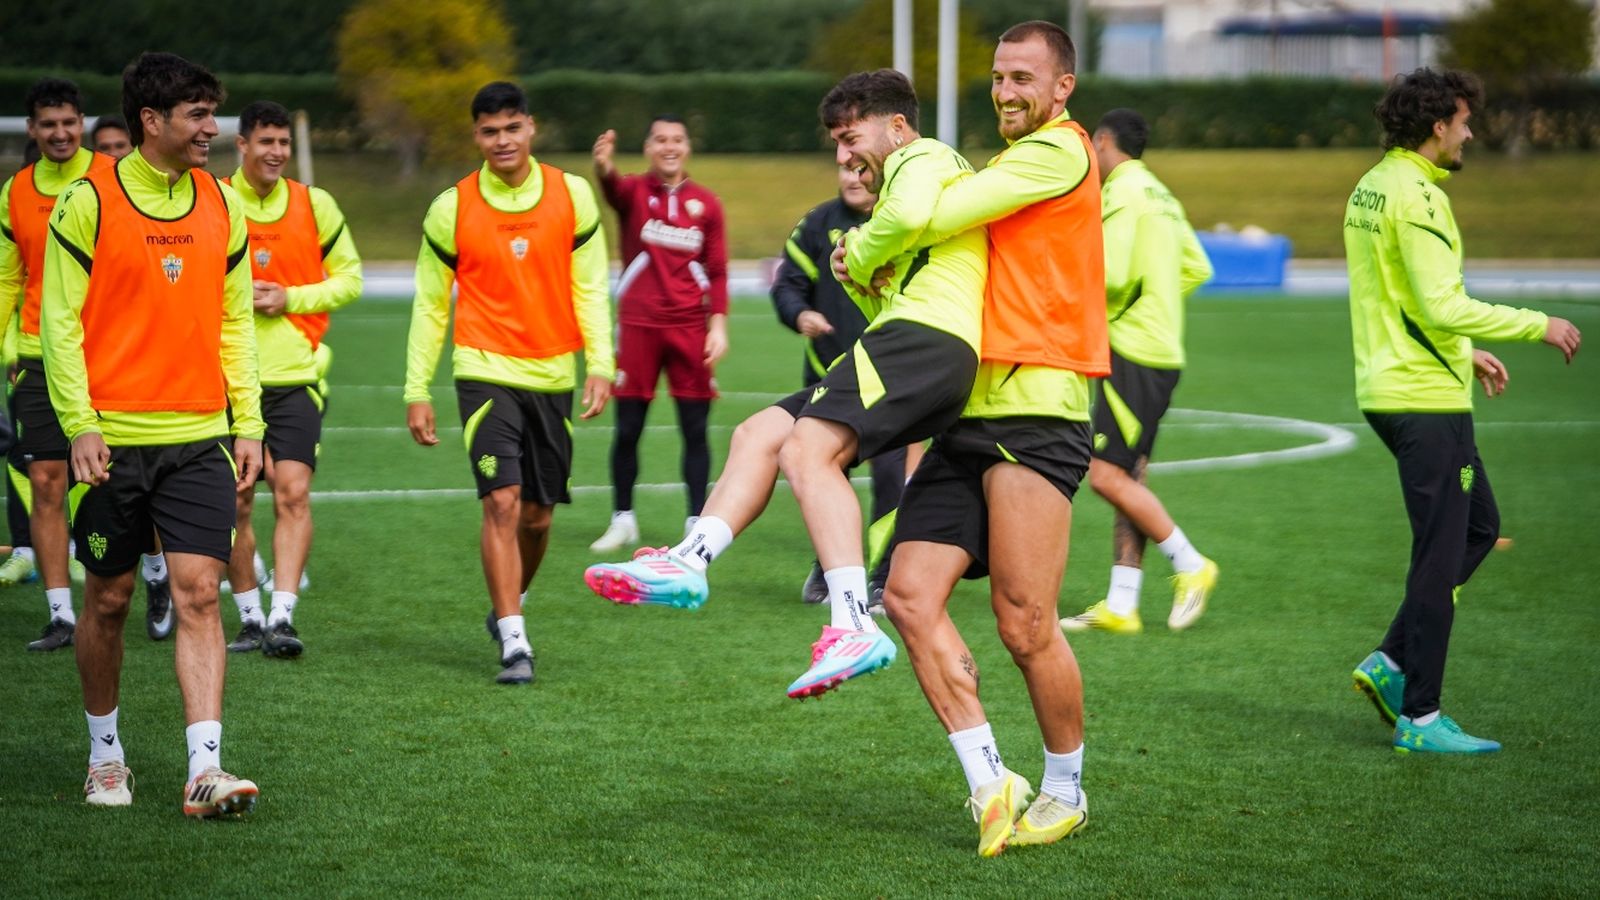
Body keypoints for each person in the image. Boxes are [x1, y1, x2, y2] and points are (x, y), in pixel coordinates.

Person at [586, 70, 986, 703]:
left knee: (806, 450)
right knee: (761, 433)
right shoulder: (911, 182)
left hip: (927, 340)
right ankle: (691, 560)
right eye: (836, 142)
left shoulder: (924, 156)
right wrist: (862, 272)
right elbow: (895, 266)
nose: (843, 156)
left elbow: (903, 219)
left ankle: (852, 622)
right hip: (913, 342)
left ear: (898, 126)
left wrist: (858, 249)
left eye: (851, 137)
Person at [877, 21, 1107, 857]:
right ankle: (991, 780)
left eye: (1024, 78)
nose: (1007, 92)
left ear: (1062, 88)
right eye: (999, 77)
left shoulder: (1060, 153)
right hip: (965, 412)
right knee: (906, 594)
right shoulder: (1008, 160)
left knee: (1024, 622)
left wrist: (882, 216)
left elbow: (937, 212)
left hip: (1038, 410)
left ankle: (1066, 789)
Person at [43, 51, 266, 815]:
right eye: (198, 114)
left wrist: (249, 423)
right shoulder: (87, 201)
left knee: (201, 593)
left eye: (214, 113)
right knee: (105, 602)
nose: (214, 128)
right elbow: (60, 324)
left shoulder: (223, 203)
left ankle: (205, 767)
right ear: (152, 121)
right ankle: (107, 757)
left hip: (200, 439)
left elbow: (237, 323)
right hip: (111, 445)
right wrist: (79, 425)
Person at [1344, 68, 1581, 755]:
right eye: (1464, 120)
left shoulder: (1373, 185)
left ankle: (1389, 662)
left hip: (1404, 384)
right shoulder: (1418, 196)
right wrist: (1538, 324)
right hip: (1421, 397)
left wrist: (1466, 353)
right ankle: (1419, 717)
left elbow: (1397, 296)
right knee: (1440, 551)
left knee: (1478, 528)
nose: (1471, 131)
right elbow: (1440, 304)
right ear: (1437, 125)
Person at [405, 81, 613, 685]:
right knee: (500, 501)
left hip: (553, 374)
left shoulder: (573, 196)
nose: (502, 140)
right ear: (477, 136)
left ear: (531, 128)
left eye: (512, 128)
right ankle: (515, 640)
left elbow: (590, 287)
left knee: (539, 517)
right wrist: (417, 387)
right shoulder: (452, 207)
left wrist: (602, 361)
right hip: (483, 368)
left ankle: (506, 608)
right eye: (490, 131)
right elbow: (429, 305)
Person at [1059, 108, 1218, 635]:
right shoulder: (1162, 195)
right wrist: (1159, 303)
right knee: (1128, 475)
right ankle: (1122, 602)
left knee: (1103, 473)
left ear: (1103, 142)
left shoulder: (1121, 195)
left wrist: (1105, 311)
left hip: (1131, 352)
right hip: (1160, 349)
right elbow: (1198, 267)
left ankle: (1190, 563)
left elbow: (1113, 274)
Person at [220, 100, 362, 658]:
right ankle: (248, 616)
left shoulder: (314, 204)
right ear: (243, 145)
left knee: (294, 493)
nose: (277, 152)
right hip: (228, 379)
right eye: (267, 142)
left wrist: (290, 297)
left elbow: (350, 279)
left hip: (295, 376)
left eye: (283, 142)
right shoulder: (215, 201)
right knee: (234, 503)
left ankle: (282, 617)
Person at [0, 77, 115, 651]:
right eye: (48, 124)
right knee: (47, 483)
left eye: (69, 122)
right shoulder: (16, 190)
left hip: (110, 357)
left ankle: (151, 575)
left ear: (82, 123)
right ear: (33, 130)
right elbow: (7, 277)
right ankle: (61, 614)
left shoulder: (112, 180)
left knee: (117, 483)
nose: (60, 132)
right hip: (40, 357)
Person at [770, 165, 910, 606]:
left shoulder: (901, 219)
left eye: (860, 169)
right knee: (825, 474)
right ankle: (826, 568)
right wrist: (799, 314)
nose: (851, 177)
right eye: (843, 169)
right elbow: (787, 284)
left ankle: (884, 578)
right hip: (830, 378)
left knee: (891, 475)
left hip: (891, 380)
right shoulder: (817, 223)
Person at [588, 117, 728, 552]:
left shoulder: (706, 204)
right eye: (661, 140)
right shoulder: (633, 192)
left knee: (695, 429)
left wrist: (718, 324)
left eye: (678, 140)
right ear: (648, 148)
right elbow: (610, 188)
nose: (670, 147)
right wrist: (603, 165)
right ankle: (623, 518)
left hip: (689, 327)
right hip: (638, 326)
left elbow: (719, 271)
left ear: (688, 148)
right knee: (627, 428)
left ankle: (696, 523)